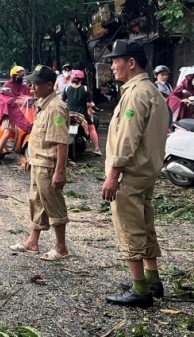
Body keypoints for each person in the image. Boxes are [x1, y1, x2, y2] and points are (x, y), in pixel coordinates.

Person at [101, 40, 169, 308]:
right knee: (144, 225)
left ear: (131, 62)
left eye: (115, 60)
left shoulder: (136, 94)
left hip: (130, 173)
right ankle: (152, 279)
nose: (112, 66)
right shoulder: (151, 91)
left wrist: (113, 173)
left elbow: (128, 138)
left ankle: (141, 290)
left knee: (129, 228)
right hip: (147, 171)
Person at [10, 65, 70, 261]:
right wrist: (29, 158)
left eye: (36, 84)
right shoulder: (42, 105)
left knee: (53, 204)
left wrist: (59, 171)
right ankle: (32, 241)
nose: (32, 87)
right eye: (31, 83)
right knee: (36, 201)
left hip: (48, 165)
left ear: (50, 85)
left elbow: (61, 142)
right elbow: (39, 137)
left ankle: (61, 247)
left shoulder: (56, 108)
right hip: (37, 162)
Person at [0, 66, 32, 164]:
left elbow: (30, 96)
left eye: (22, 74)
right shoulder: (7, 84)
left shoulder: (24, 86)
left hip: (22, 113)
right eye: (19, 73)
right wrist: (12, 101)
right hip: (9, 112)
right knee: (7, 133)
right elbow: (2, 96)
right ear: (14, 75)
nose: (21, 76)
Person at [62, 70, 102, 155]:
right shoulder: (85, 88)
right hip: (82, 115)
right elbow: (89, 104)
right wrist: (92, 105)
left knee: (61, 127)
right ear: (81, 79)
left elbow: (63, 101)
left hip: (70, 114)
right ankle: (97, 148)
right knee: (91, 128)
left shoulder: (67, 88)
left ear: (72, 78)